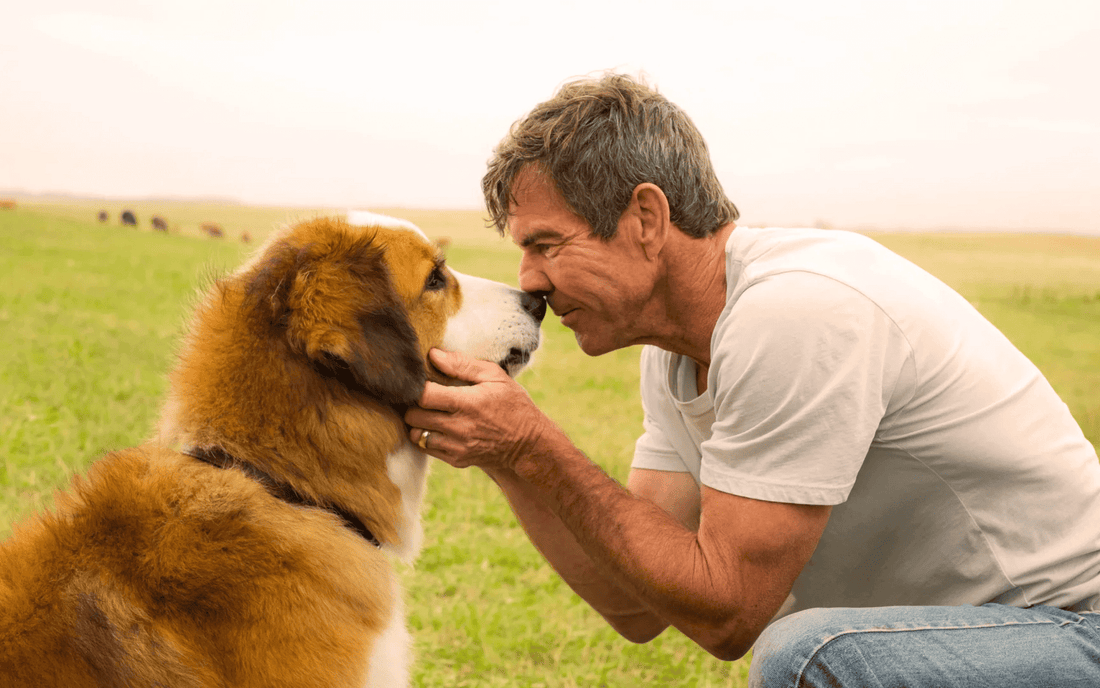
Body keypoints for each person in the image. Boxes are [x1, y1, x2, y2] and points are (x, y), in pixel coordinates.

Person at [403, 73, 1100, 686]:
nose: (530, 282)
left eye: (546, 246)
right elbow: (638, 605)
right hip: (964, 646)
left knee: (809, 656)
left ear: (646, 218)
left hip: (1074, 631)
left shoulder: (795, 310)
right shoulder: (676, 350)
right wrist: (505, 458)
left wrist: (532, 446)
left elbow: (727, 612)